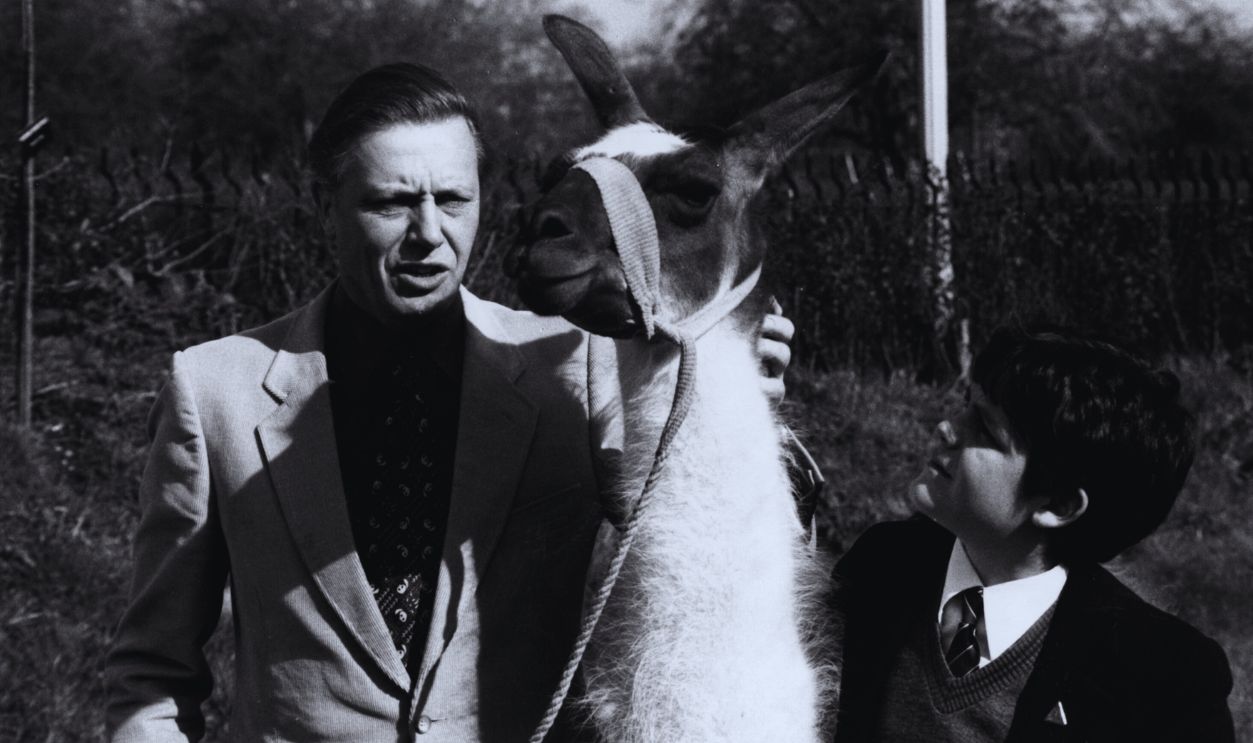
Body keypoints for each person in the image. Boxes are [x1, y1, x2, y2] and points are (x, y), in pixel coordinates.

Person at [104, 63, 794, 742]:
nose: (429, 232)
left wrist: (728, 386)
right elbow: (153, 668)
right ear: (325, 207)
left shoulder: (577, 360)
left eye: (453, 200)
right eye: (392, 202)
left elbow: (698, 551)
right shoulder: (214, 388)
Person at [831, 325, 1234, 742]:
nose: (947, 427)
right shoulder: (882, 565)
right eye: (965, 405)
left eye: (984, 429)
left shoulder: (1167, 679)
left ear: (1056, 506)